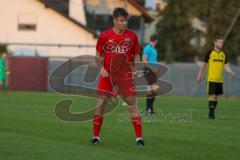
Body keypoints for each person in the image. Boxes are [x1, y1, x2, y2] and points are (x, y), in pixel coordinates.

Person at [90, 7, 144, 146]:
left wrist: (136, 68)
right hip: (108, 75)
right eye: (121, 20)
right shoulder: (104, 36)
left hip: (125, 76)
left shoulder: (132, 36)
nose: (124, 23)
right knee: (101, 103)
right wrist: (101, 68)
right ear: (115, 21)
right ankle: (96, 136)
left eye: (126, 20)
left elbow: (136, 55)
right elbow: (98, 55)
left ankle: (139, 138)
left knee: (132, 104)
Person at [196, 37, 235, 120]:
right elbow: (203, 65)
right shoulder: (209, 53)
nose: (221, 44)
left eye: (222, 42)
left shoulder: (224, 54)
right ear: (215, 43)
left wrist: (230, 71)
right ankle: (211, 114)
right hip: (211, 79)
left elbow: (226, 66)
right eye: (220, 42)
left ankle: (211, 113)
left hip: (219, 80)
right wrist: (199, 75)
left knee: (216, 97)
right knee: (212, 96)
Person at [142, 34, 159, 114]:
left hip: (152, 70)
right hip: (148, 70)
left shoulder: (153, 48)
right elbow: (144, 60)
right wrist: (152, 68)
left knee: (152, 89)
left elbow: (153, 60)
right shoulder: (147, 48)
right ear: (156, 40)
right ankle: (149, 109)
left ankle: (149, 109)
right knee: (153, 88)